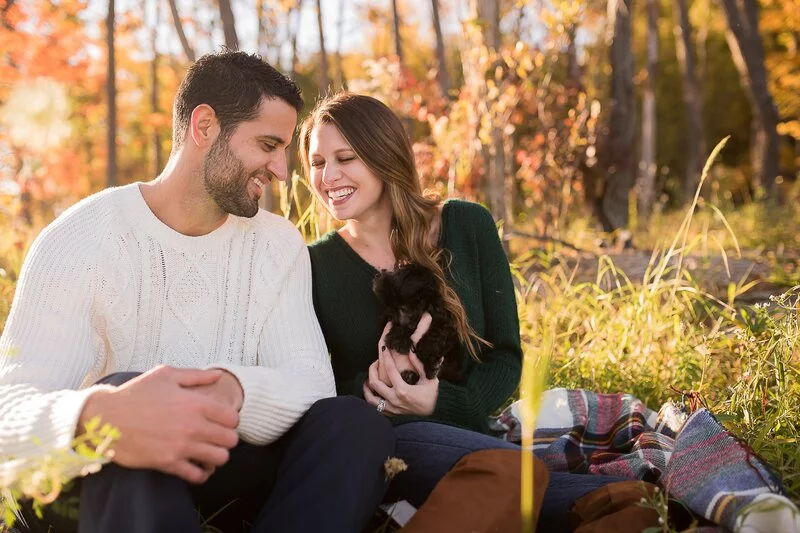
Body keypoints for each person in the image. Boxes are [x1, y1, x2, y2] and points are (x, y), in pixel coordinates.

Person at [0, 52, 395, 533]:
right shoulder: (80, 239)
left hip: (224, 461)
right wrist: (100, 413)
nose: (281, 170)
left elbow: (310, 383)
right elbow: (10, 408)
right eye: (268, 144)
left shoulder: (276, 244)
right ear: (204, 126)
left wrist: (230, 389)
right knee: (124, 389)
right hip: (112, 478)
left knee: (354, 425)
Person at [301, 92, 624, 532]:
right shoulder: (315, 265)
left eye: (346, 158)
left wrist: (444, 401)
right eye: (318, 163)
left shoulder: (466, 225)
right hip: (387, 441)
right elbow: (317, 383)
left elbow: (506, 356)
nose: (329, 176)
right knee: (584, 495)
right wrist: (371, 387)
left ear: (383, 156)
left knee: (610, 499)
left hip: (470, 431)